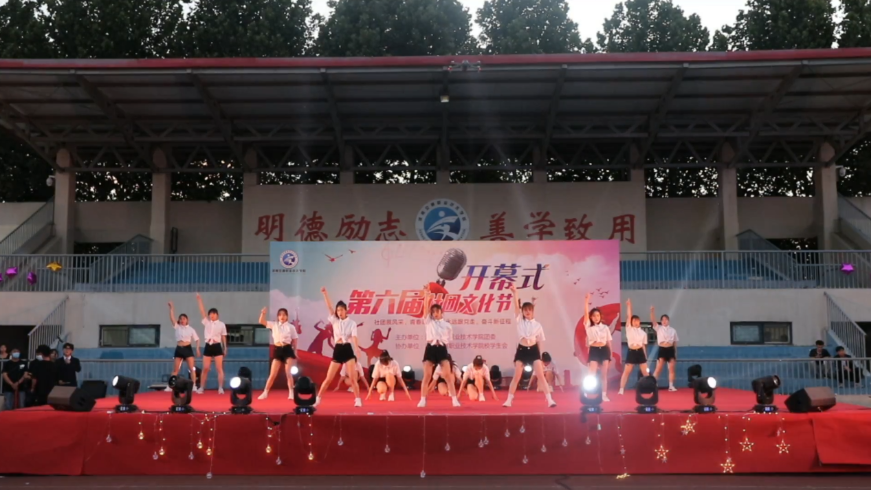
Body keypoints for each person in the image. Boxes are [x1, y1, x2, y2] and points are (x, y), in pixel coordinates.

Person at [503, 284, 556, 408]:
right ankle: (509, 400)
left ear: (532, 311)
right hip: (522, 350)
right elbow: (516, 306)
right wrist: (515, 293)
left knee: (540, 376)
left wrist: (541, 357)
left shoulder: (538, 325)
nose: (527, 312)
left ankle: (550, 400)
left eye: (529, 310)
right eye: (525, 310)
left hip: (533, 350)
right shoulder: (520, 321)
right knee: (517, 376)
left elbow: (540, 341)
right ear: (522, 312)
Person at [315, 287, 364, 407]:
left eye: (342, 310)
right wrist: (325, 294)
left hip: (347, 349)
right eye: (338, 310)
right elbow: (329, 306)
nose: (339, 312)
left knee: (353, 378)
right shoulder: (334, 320)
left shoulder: (352, 323)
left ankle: (358, 399)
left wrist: (357, 348)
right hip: (338, 350)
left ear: (346, 310)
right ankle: (318, 399)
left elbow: (354, 336)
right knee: (328, 378)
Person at [418, 284, 461, 408]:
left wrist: (441, 344)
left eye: (437, 311)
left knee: (448, 376)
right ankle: (422, 399)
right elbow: (425, 308)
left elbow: (449, 339)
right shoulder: (428, 321)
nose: (435, 314)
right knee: (427, 376)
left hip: (442, 349)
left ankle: (454, 400)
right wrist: (427, 296)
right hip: (430, 348)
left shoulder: (447, 325)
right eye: (433, 312)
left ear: (442, 312)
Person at [258, 307, 299, 400]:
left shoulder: (291, 327)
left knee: (288, 373)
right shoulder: (274, 325)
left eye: (284, 315)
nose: (282, 317)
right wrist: (263, 313)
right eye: (280, 315)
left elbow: (295, 339)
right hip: (278, 349)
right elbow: (261, 321)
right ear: (278, 316)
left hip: (287, 349)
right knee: (272, 374)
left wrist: (295, 351)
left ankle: (291, 393)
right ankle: (265, 392)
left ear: (287, 316)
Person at [583, 292, 613, 402]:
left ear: (600, 316)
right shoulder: (588, 326)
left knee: (604, 375)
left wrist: (610, 355)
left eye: (598, 316)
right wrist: (586, 301)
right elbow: (585, 314)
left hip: (604, 350)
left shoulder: (605, 328)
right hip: (594, 350)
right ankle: (586, 393)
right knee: (591, 374)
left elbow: (609, 342)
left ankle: (604, 395)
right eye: (594, 316)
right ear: (591, 317)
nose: (596, 318)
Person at [196, 293, 227, 395]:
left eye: (213, 313)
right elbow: (202, 311)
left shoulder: (221, 324)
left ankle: (220, 388)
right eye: (210, 314)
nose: (211, 315)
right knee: (205, 368)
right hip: (208, 346)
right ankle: (201, 387)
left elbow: (223, 336)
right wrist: (199, 300)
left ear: (217, 314)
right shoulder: (207, 322)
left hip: (217, 345)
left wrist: (225, 348)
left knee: (219, 368)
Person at [166, 302, 199, 392]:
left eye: (184, 319)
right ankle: (170, 385)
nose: (182, 320)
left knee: (192, 368)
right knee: (175, 369)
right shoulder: (177, 327)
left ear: (187, 320)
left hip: (188, 348)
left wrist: (197, 349)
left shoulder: (191, 329)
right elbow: (172, 318)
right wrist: (171, 309)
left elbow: (197, 339)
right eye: (180, 319)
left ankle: (194, 386)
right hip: (179, 348)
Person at [618, 299, 650, 395]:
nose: (636, 322)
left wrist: (645, 357)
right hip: (631, 351)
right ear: (631, 322)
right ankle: (621, 389)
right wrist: (629, 306)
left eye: (637, 321)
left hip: (640, 351)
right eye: (634, 321)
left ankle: (650, 388)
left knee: (646, 373)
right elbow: (629, 316)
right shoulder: (629, 329)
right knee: (626, 372)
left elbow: (644, 346)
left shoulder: (643, 333)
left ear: (639, 322)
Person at [650, 306, 679, 392]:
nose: (664, 321)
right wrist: (652, 311)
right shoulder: (658, 328)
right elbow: (653, 321)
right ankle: (653, 385)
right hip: (662, 349)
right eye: (662, 320)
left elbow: (675, 343)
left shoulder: (673, 330)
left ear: (668, 321)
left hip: (670, 349)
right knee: (658, 368)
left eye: (666, 319)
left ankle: (671, 386)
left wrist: (675, 353)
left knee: (671, 369)